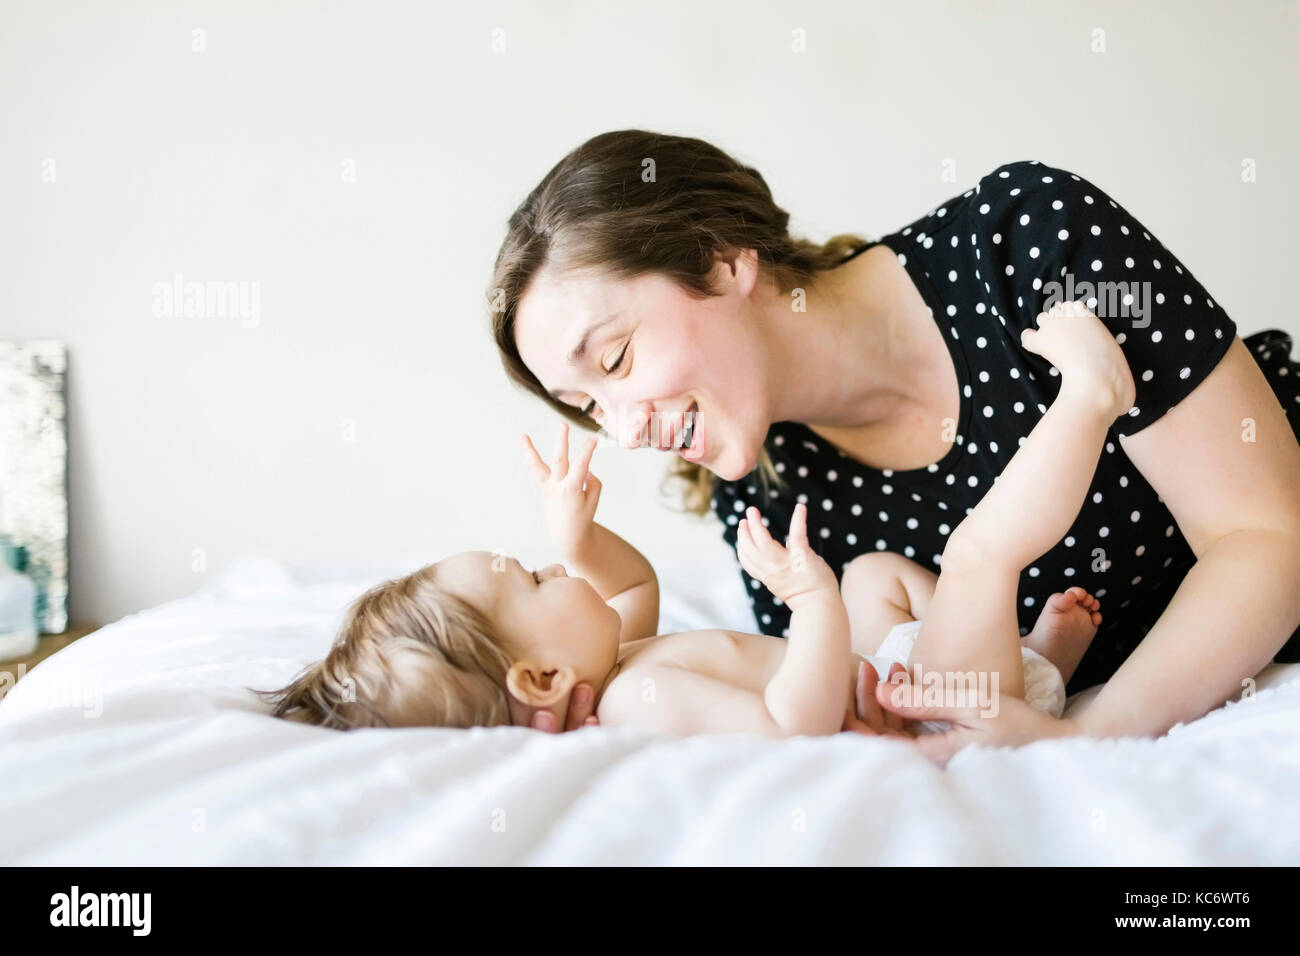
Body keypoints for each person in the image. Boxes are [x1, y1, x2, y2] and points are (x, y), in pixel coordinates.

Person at [486, 129, 1300, 753]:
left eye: (618, 359)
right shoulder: (770, 505)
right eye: (587, 405)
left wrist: (1091, 741)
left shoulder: (1024, 240)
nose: (623, 431)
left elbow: (1266, 537)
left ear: (722, 259)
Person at [254, 301, 1130, 736]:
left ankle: (1027, 665)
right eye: (531, 579)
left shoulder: (618, 654)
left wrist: (576, 538)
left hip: (902, 673)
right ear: (542, 680)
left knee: (877, 574)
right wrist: (813, 603)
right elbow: (798, 726)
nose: (552, 571)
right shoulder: (641, 697)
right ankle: (1090, 401)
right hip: (928, 712)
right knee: (976, 553)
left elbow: (629, 583)